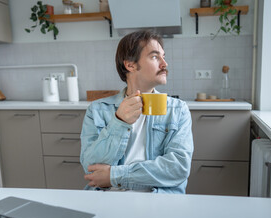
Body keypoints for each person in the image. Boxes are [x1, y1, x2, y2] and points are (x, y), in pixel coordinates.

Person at [80, 30, 193, 194]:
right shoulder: (97, 110)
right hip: (107, 198)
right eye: (155, 57)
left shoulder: (178, 110)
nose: (164, 64)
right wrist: (119, 122)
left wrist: (115, 175)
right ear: (130, 65)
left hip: (158, 199)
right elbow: (91, 168)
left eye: (164, 56)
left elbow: (178, 168)